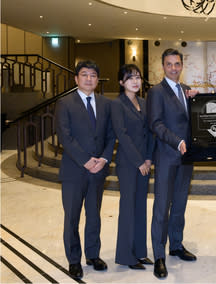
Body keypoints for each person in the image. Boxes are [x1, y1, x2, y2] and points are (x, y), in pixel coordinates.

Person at [55, 60, 115, 280]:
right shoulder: (65, 103)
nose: (89, 79)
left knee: (94, 216)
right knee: (72, 217)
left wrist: (104, 159)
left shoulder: (106, 104)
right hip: (74, 171)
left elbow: (110, 135)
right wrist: (85, 160)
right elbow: (65, 136)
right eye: (84, 75)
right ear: (76, 78)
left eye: (93, 75)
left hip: (98, 171)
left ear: (98, 80)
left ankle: (92, 255)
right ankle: (73, 260)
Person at [147, 48, 198, 279]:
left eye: (177, 64)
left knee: (179, 205)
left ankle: (176, 245)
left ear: (182, 65)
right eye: (169, 64)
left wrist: (198, 103)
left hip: (186, 159)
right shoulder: (156, 92)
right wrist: (176, 141)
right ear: (163, 66)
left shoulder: (187, 91)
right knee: (162, 208)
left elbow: (195, 121)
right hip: (167, 156)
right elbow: (156, 124)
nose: (174, 68)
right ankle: (159, 255)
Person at [111, 64, 154, 270]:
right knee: (128, 208)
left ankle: (140, 252)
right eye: (130, 78)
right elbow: (122, 135)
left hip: (144, 163)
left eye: (137, 77)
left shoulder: (145, 103)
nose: (135, 81)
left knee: (140, 207)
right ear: (121, 82)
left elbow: (150, 133)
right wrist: (138, 161)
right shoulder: (117, 104)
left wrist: (148, 159)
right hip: (128, 164)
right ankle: (126, 256)